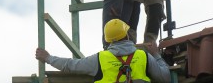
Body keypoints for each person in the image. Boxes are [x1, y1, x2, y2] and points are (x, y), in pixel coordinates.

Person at [35, 19, 171, 83]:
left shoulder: (99, 59)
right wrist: (156, 54)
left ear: (109, 40)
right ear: (127, 35)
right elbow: (166, 78)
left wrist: (48, 58)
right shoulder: (143, 56)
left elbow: (70, 65)